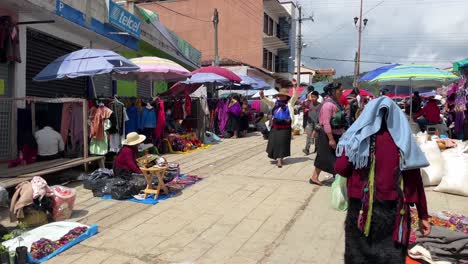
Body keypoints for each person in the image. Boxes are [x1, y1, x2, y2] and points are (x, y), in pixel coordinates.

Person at [334, 97, 431, 264]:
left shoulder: (357, 139)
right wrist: (423, 215)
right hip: (393, 213)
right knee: (389, 257)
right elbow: (415, 181)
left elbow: (341, 168)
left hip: (360, 211)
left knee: (358, 256)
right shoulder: (404, 143)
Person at [310, 83, 345, 185]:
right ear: (333, 92)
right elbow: (326, 123)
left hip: (336, 134)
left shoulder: (335, 103)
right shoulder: (328, 105)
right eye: (340, 91)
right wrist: (331, 139)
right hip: (327, 135)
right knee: (329, 158)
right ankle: (337, 179)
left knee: (324, 156)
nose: (342, 93)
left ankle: (314, 177)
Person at [261, 84, 298, 168]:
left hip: (285, 127)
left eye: (283, 95)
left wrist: (295, 89)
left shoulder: (289, 104)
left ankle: (280, 159)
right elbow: (267, 101)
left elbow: (295, 97)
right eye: (280, 95)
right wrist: (262, 96)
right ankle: (276, 157)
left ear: (286, 96)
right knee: (274, 142)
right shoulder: (275, 103)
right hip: (276, 126)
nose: (281, 97)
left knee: (282, 143)